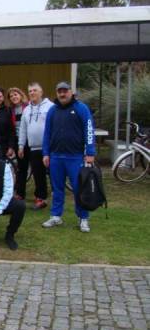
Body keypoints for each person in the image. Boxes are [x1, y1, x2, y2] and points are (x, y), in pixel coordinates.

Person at [42, 82, 96, 233]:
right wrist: (46, 153)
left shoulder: (81, 108)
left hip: (75, 157)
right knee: (57, 189)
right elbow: (47, 133)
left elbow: (89, 130)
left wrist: (90, 153)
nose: (62, 94)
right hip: (56, 157)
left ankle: (83, 218)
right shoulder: (52, 110)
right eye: (59, 91)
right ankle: (56, 216)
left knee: (79, 188)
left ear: (71, 92)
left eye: (65, 91)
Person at [17, 82, 54, 210]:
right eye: (30, 91)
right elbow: (23, 129)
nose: (32, 93)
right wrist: (21, 145)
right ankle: (41, 198)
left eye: (35, 90)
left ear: (41, 92)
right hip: (34, 148)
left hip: (49, 147)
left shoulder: (50, 107)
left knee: (53, 174)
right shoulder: (26, 110)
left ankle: (56, 197)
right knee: (38, 175)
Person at [7, 87, 29, 200]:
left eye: (15, 94)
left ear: (20, 95)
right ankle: (20, 193)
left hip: (30, 140)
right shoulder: (10, 110)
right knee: (21, 168)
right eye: (11, 96)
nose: (14, 97)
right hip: (18, 140)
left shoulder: (29, 107)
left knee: (37, 167)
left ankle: (40, 196)